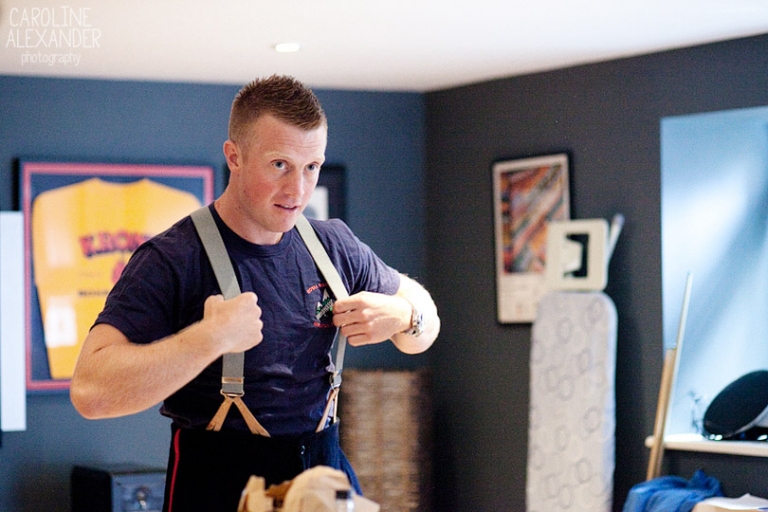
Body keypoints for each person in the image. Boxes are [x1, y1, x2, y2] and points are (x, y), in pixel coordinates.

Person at [70, 74, 440, 512]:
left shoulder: (334, 245)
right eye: (280, 165)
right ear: (235, 157)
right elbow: (90, 393)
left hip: (323, 480)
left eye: (311, 167)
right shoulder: (172, 258)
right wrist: (208, 340)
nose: (298, 190)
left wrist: (402, 315)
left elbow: (426, 325)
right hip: (217, 485)